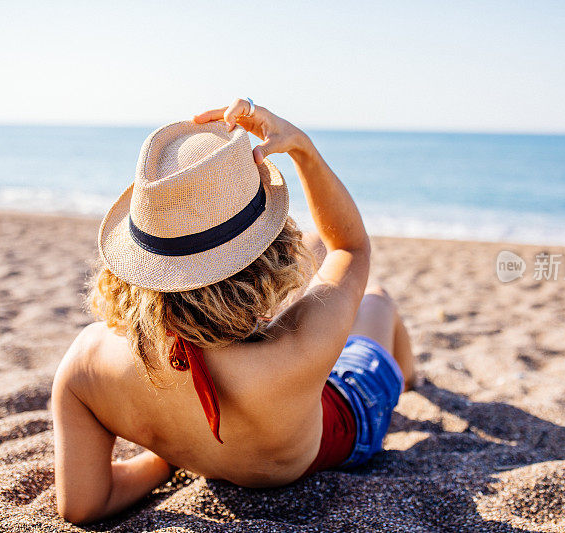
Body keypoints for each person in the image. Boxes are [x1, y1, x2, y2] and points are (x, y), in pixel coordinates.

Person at [51, 99, 416, 525]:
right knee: (376, 299)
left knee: (318, 250)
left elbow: (82, 506)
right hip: (342, 421)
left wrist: (167, 460)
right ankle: (410, 375)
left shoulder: (87, 363)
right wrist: (303, 149)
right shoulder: (297, 349)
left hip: (224, 425)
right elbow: (350, 247)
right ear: (266, 257)